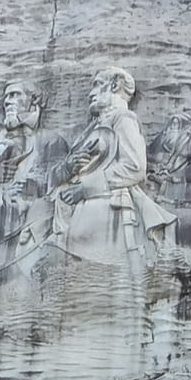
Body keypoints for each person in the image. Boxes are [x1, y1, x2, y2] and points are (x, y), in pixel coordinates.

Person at [50, 67, 175, 264]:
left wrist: (85, 188)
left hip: (105, 202)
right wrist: (68, 167)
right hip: (70, 204)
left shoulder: (123, 118)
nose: (91, 93)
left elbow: (135, 167)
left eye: (98, 85)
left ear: (115, 84)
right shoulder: (92, 128)